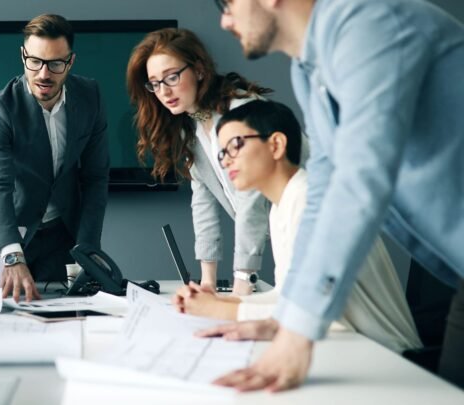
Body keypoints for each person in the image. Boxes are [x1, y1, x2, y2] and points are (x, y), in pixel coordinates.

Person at [206, 0, 464, 390]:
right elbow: (325, 188)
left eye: (227, 4)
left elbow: (360, 177)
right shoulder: (309, 70)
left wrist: (299, 335)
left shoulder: (368, 23)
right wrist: (288, 318)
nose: (225, 20)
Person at [174, 99, 421, 352]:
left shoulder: (310, 202)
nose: (225, 162)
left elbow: (311, 311)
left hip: (387, 353)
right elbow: (288, 298)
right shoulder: (283, 205)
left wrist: (221, 309)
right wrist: (224, 301)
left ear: (276, 145)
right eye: (222, 153)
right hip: (346, 346)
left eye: (235, 145)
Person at [127, 28, 274, 294]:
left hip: (320, 228)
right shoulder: (191, 129)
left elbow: (251, 199)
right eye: (155, 83)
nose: (163, 91)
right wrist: (207, 282)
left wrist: (243, 279)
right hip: (290, 236)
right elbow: (203, 202)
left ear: (199, 70)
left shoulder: (241, 112)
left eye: (171, 77)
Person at [0, 14, 109, 302]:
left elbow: (96, 178)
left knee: (68, 321)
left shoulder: (90, 97)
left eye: (55, 63)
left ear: (71, 61)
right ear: (23, 55)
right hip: (7, 232)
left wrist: (88, 248)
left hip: (63, 234)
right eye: (34, 61)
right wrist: (12, 256)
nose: (43, 74)